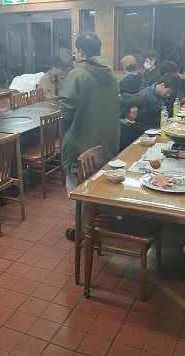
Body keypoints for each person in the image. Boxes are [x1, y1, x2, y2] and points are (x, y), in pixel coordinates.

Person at [58, 31, 120, 239]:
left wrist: (66, 130)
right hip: (106, 138)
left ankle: (83, 229)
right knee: (96, 181)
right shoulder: (110, 73)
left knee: (76, 183)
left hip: (81, 140)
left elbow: (66, 109)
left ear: (80, 52)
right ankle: (93, 221)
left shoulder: (77, 73)